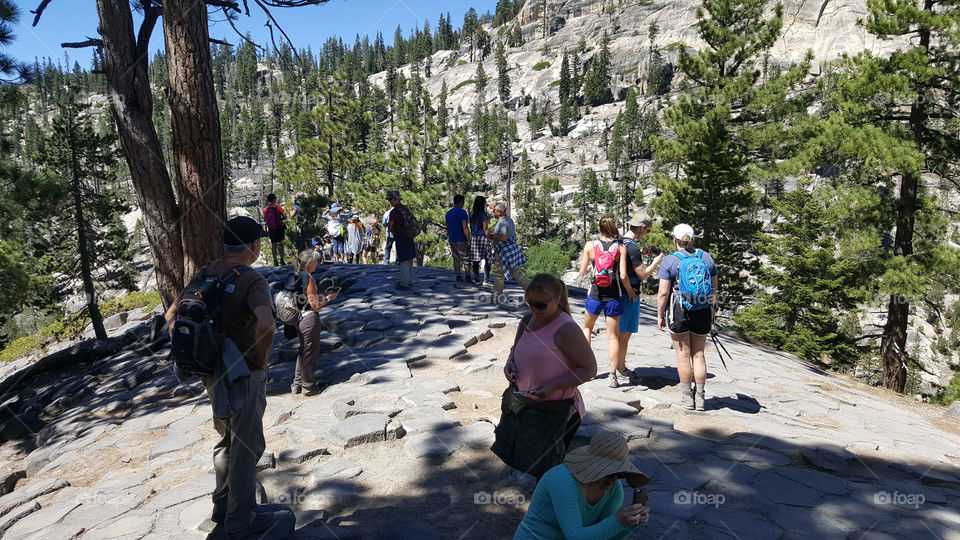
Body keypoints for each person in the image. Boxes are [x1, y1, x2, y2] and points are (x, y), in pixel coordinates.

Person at [163, 216, 284, 536]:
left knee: (226, 441)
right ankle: (241, 522)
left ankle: (221, 507)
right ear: (255, 246)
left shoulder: (206, 272)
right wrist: (260, 359)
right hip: (244, 372)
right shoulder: (252, 280)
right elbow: (266, 324)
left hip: (212, 372)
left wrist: (202, 355)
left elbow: (170, 316)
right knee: (247, 446)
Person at [493, 273, 597, 479]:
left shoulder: (565, 329)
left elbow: (589, 369)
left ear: (557, 299)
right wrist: (510, 362)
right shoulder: (527, 320)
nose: (533, 309)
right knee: (527, 462)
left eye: (540, 305)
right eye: (529, 302)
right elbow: (517, 349)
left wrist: (554, 385)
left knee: (549, 472)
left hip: (555, 413)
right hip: (525, 407)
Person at [513, 431, 650, 540]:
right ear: (594, 467)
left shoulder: (614, 488)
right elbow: (575, 536)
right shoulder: (562, 481)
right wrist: (617, 521)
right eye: (609, 473)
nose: (614, 480)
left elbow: (607, 536)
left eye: (620, 474)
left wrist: (630, 523)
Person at [657, 223, 718, 411]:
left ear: (674, 239)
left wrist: (660, 315)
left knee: (683, 356)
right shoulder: (706, 258)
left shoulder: (670, 260)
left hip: (679, 310)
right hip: (702, 309)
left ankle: (687, 398)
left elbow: (663, 293)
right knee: (698, 354)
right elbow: (714, 290)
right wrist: (712, 311)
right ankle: (700, 399)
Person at [579, 216, 628, 388]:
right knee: (613, 338)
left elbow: (582, 272)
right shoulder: (620, 248)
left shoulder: (590, 246)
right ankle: (612, 376)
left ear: (599, 229)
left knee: (587, 328)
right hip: (613, 296)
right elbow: (622, 275)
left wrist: (593, 268)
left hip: (595, 294)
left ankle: (585, 369)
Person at [617, 213, 665, 382]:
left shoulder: (620, 241)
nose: (647, 234)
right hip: (629, 295)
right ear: (643, 228)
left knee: (617, 333)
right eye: (648, 231)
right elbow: (643, 274)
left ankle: (616, 367)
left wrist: (641, 254)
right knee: (624, 334)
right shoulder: (633, 247)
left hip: (615, 293)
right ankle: (620, 368)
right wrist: (656, 262)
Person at [287, 249, 338, 396]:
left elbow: (306, 299)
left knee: (303, 352)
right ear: (310, 263)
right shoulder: (309, 279)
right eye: (316, 261)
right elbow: (314, 305)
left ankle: (296, 385)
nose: (318, 263)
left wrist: (322, 296)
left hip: (298, 318)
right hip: (309, 319)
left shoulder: (294, 276)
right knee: (310, 354)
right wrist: (329, 298)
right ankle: (309, 387)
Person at [489, 202, 531, 303]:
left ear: (499, 212)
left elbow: (503, 237)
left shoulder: (502, 222)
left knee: (498, 275)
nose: (493, 212)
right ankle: (531, 291)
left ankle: (496, 297)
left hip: (504, 252)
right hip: (512, 250)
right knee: (517, 273)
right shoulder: (509, 220)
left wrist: (491, 237)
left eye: (494, 210)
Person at [386, 190, 415, 289]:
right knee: (409, 260)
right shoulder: (405, 209)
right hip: (409, 235)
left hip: (400, 236)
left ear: (395, 199)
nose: (389, 201)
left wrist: (393, 230)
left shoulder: (394, 212)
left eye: (390, 199)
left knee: (403, 261)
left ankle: (404, 282)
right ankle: (410, 280)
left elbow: (390, 226)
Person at [445, 194, 473, 282]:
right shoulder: (463, 212)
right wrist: (469, 239)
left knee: (456, 259)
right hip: (461, 239)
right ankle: (468, 277)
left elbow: (447, 226)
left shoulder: (448, 213)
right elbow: (465, 227)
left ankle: (458, 276)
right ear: (461, 202)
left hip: (452, 238)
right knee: (466, 259)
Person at [469, 196, 492, 285]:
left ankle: (477, 278)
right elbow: (485, 228)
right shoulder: (483, 214)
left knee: (475, 260)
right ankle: (486, 279)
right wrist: (489, 239)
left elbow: (470, 226)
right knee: (488, 258)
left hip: (474, 237)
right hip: (483, 237)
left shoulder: (471, 213)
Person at [263, 193, 287, 266]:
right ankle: (282, 260)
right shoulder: (278, 207)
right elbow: (285, 216)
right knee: (281, 243)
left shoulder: (265, 209)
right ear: (274, 199)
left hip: (271, 228)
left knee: (274, 244)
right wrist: (280, 219)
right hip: (279, 227)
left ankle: (275, 261)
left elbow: (265, 219)